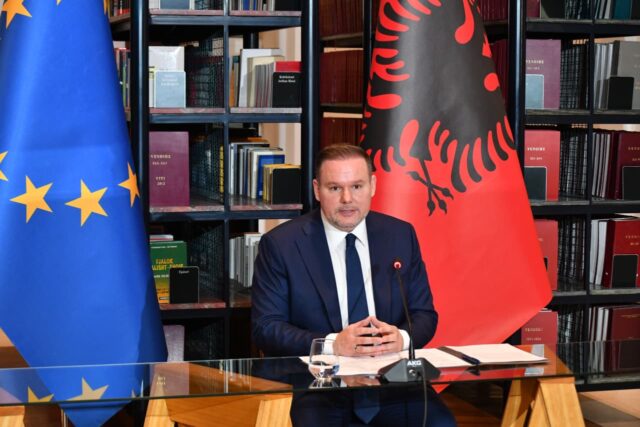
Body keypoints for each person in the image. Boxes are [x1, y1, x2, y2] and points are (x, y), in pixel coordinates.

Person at [251, 144, 456, 426]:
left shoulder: (400, 235)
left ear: (372, 185)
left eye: (357, 186)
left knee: (440, 423)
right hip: (317, 385)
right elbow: (266, 327)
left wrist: (401, 338)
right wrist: (333, 344)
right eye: (335, 188)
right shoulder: (282, 244)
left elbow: (424, 315)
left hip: (393, 380)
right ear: (317, 190)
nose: (347, 199)